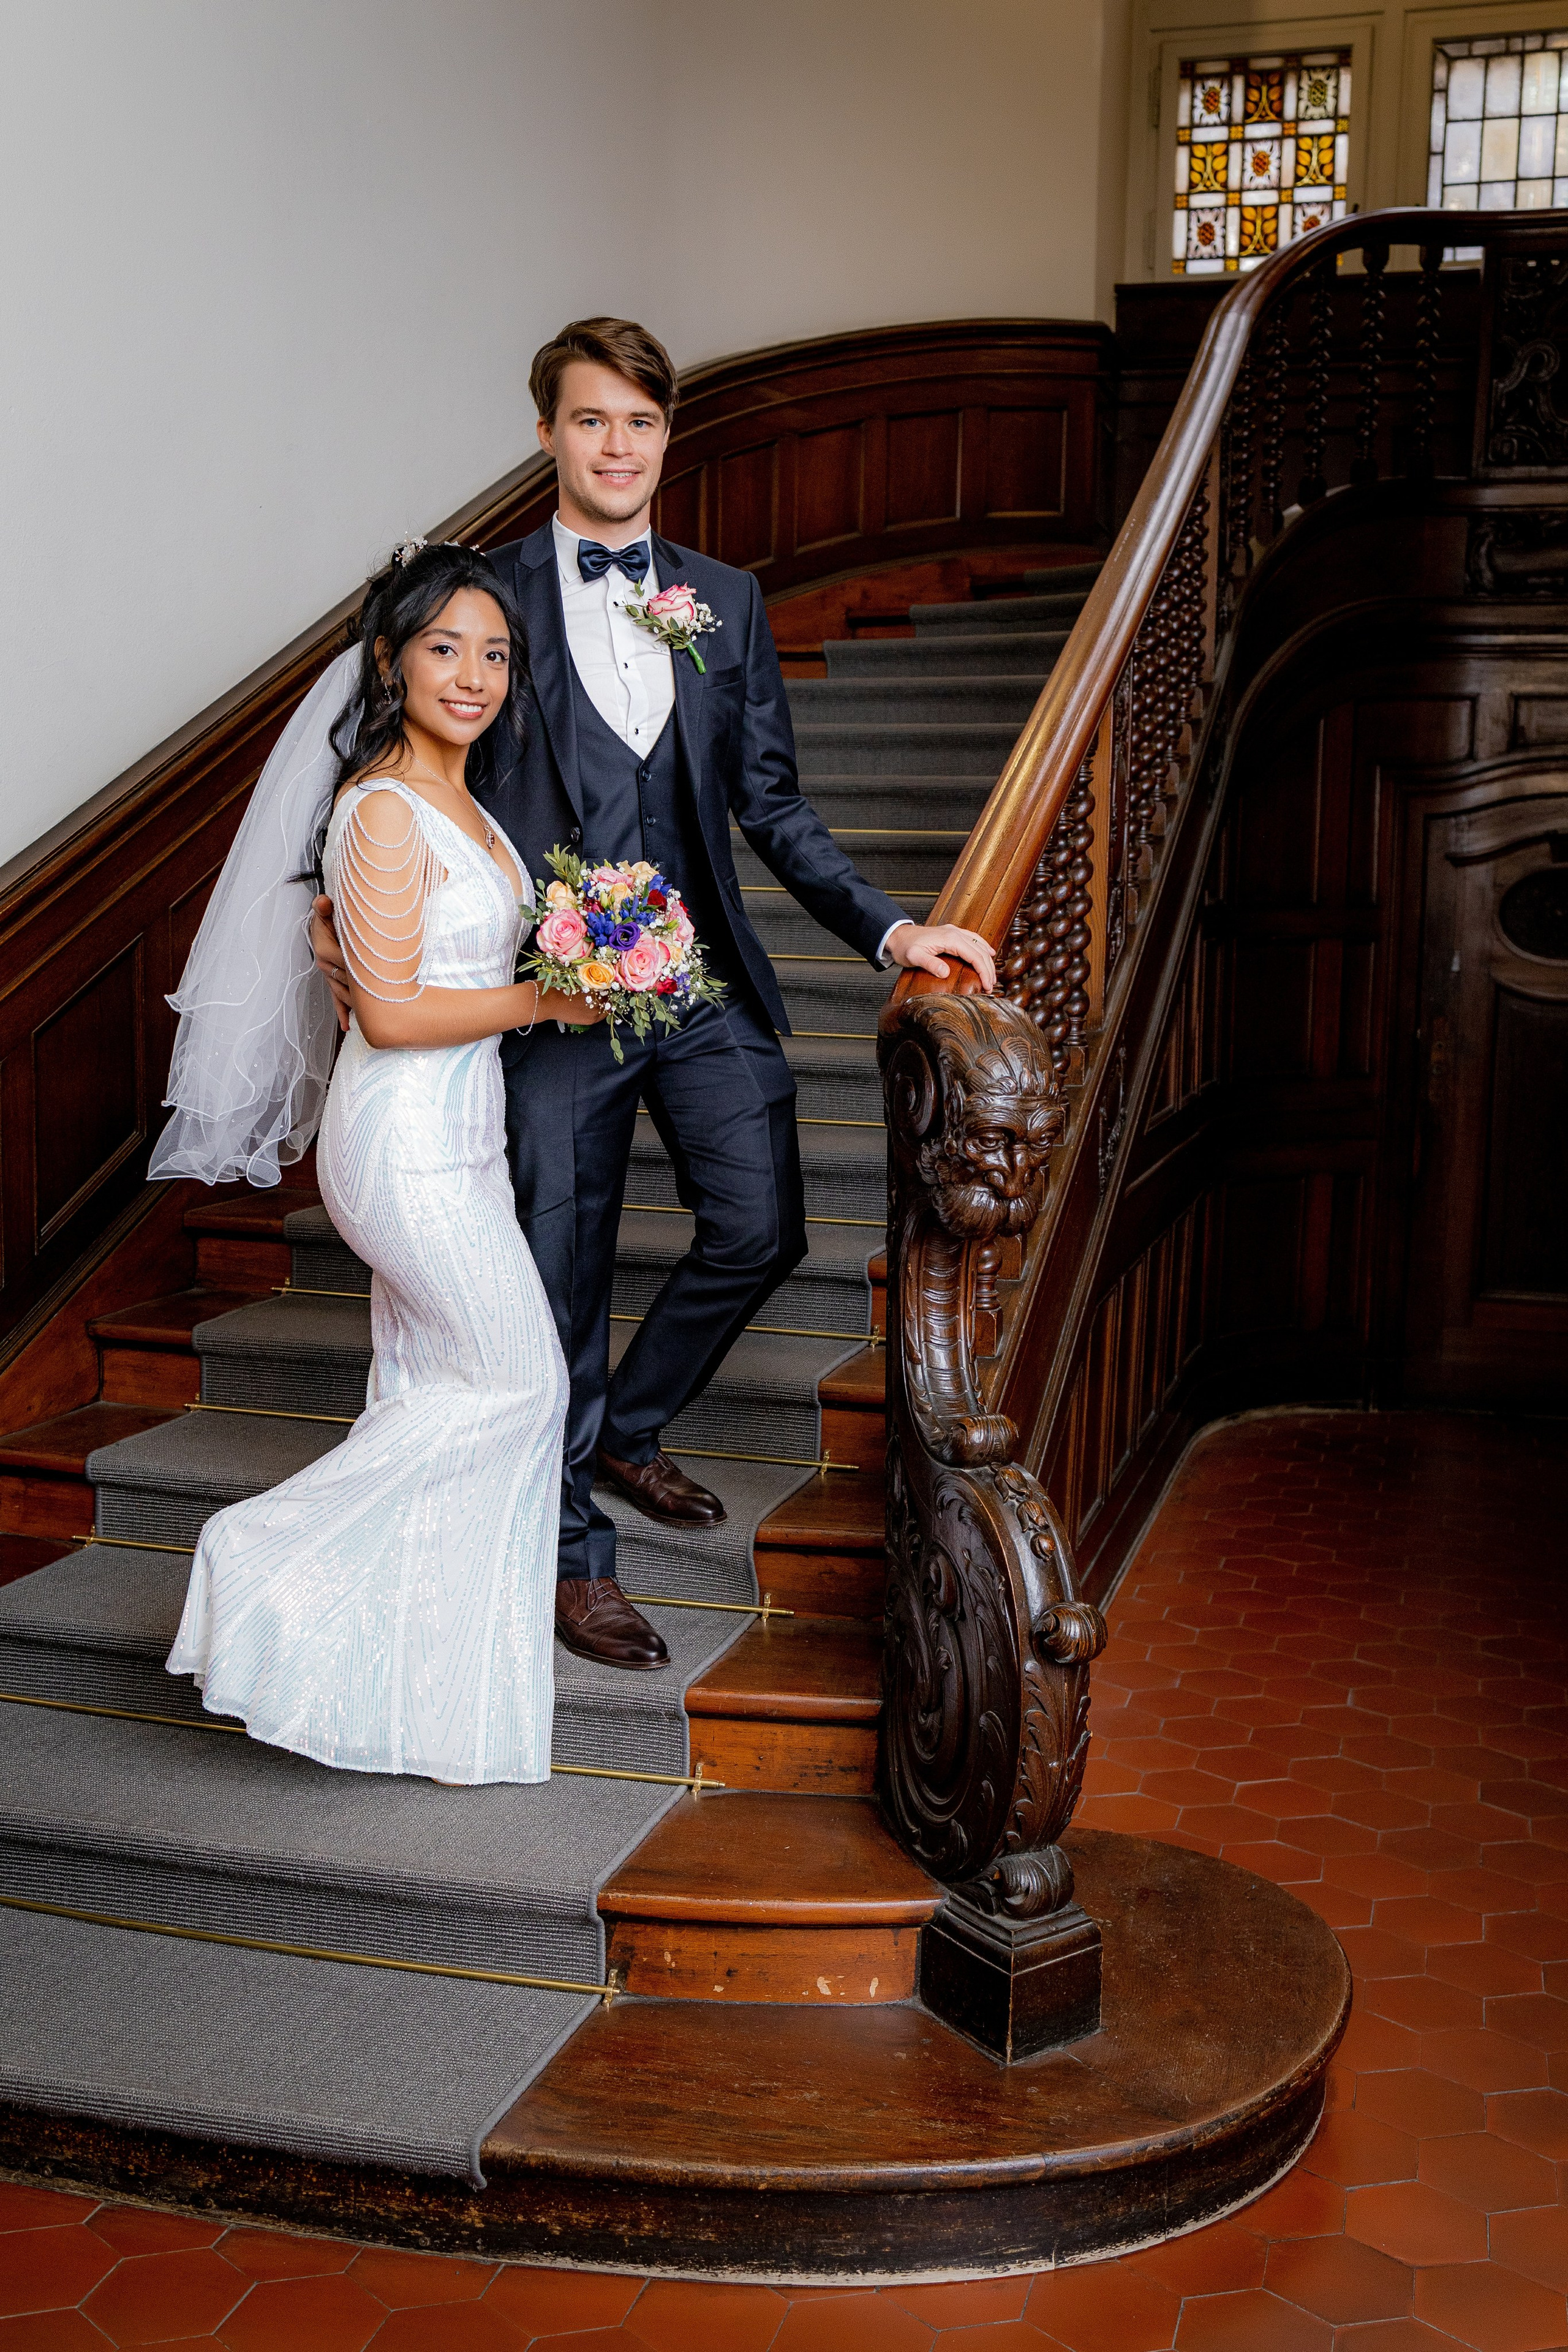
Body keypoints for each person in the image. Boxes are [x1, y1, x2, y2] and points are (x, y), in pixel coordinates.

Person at [312, 316, 997, 1673]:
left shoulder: (723, 599)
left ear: (665, 439)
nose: (615, 445)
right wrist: (337, 917)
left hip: (696, 982)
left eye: (638, 422)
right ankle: (571, 1556)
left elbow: (772, 805)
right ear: (547, 435)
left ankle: (626, 1430)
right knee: (556, 1274)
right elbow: (391, 750)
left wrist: (892, 928)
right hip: (547, 1000)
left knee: (764, 1225)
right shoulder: (484, 598)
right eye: (588, 420)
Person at [154, 543, 597, 1782]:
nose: (473, 674)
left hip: (460, 1136)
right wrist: (546, 1005)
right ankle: (258, 1555)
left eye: (495, 653)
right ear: (391, 662)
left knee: (432, 1387)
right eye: (444, 648)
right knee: (524, 1388)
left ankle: (398, 1695)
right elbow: (395, 1015)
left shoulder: (466, 804)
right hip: (399, 1143)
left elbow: (390, 980)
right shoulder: (385, 806)